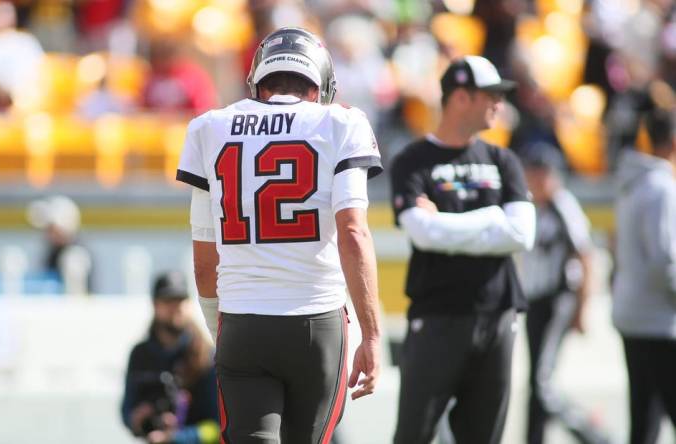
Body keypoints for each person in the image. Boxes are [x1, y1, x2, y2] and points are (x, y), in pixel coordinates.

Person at [176, 27, 383, 444]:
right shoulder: (342, 122)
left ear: (258, 82)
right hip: (316, 320)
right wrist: (372, 334)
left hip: (241, 321)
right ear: (318, 86)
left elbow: (204, 262)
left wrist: (225, 330)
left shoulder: (210, 128)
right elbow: (354, 233)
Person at [389, 55, 535, 444]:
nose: (499, 105)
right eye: (490, 96)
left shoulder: (503, 159)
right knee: (413, 435)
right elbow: (422, 233)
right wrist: (492, 221)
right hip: (437, 317)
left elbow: (521, 234)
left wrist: (449, 223)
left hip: (498, 316)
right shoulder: (412, 160)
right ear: (460, 98)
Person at [518, 146, 608, 444]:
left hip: (556, 300)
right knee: (537, 382)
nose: (535, 180)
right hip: (535, 300)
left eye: (540, 174)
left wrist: (582, 308)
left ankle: (590, 433)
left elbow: (585, 255)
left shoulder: (562, 206)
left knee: (541, 382)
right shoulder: (533, 206)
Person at [613, 110, 676, 444]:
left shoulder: (633, 183)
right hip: (660, 322)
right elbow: (664, 260)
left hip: (633, 315)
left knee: (644, 419)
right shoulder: (661, 188)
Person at [121, 270, 219, 444]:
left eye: (180, 300)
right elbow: (126, 410)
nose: (176, 308)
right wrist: (138, 417)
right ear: (155, 304)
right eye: (168, 301)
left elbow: (217, 428)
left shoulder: (206, 357)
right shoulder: (140, 354)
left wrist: (175, 437)